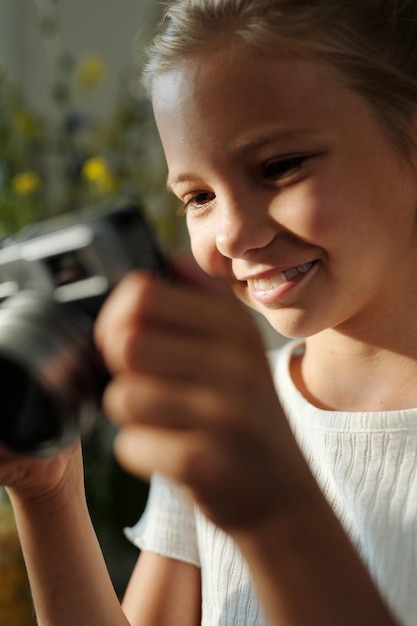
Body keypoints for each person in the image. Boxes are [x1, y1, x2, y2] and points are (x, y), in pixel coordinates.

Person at [1, 0, 417, 624]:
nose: (230, 235)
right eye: (198, 196)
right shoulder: (224, 414)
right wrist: (49, 492)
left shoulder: (238, 428)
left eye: (279, 167)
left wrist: (273, 507)